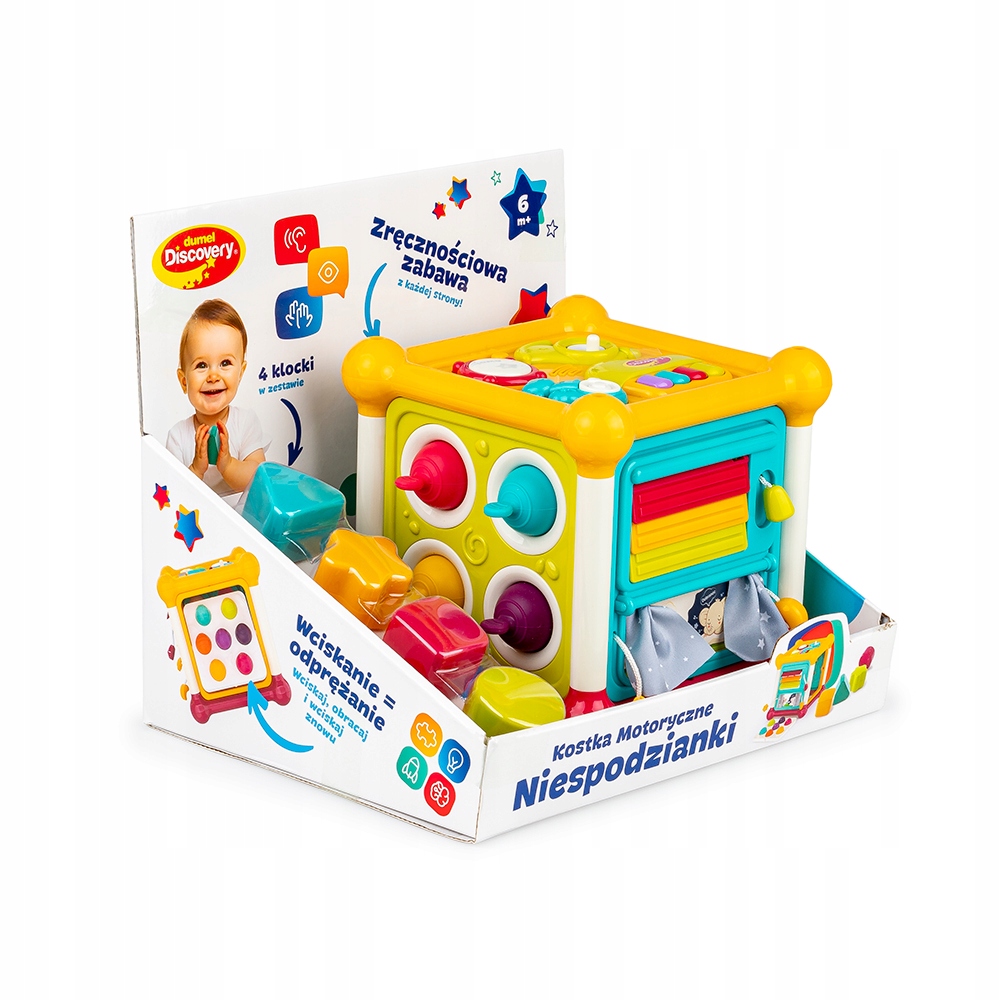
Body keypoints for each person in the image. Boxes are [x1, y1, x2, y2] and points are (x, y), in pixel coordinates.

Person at [166, 299, 267, 496]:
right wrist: (196, 469)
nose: (213, 376)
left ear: (240, 373)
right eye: (202, 365)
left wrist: (228, 465)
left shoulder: (245, 422)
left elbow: (258, 480)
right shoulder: (178, 437)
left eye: (225, 363)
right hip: (196, 515)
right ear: (184, 381)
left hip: (243, 514)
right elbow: (174, 494)